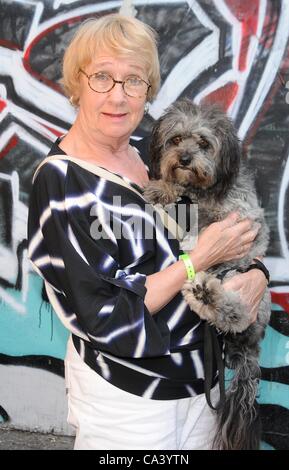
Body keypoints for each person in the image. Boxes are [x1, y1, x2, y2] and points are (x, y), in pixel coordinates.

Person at [27, 14, 268, 450]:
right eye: (102, 77)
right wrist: (200, 262)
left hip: (200, 387)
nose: (118, 96)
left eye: (134, 81)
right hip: (131, 403)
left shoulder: (150, 159)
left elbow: (218, 235)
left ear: (148, 91)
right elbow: (108, 316)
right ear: (76, 84)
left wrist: (255, 276)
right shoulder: (62, 184)